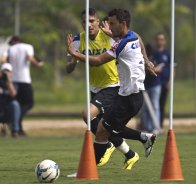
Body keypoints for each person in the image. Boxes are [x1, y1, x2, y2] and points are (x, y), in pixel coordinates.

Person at [67, 8, 157, 170]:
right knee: (105, 127)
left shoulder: (117, 42)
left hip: (117, 90)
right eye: (84, 22)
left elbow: (97, 61)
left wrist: (75, 54)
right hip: (108, 91)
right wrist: (146, 60)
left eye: (92, 21)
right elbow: (138, 37)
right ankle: (136, 145)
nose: (88, 25)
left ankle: (90, 168)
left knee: (96, 124)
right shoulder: (126, 37)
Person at [0, 36, 44, 136]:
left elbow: (2, 60)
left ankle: (18, 127)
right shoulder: (27, 46)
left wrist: (10, 65)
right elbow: (29, 57)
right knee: (29, 103)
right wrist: (37, 64)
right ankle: (16, 122)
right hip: (24, 80)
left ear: (13, 42)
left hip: (12, 81)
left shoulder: (10, 49)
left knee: (17, 104)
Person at [140, 44, 164, 133]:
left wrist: (151, 69)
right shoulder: (142, 57)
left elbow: (159, 68)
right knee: (145, 107)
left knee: (155, 106)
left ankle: (156, 127)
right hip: (145, 85)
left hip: (155, 85)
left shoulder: (156, 56)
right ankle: (146, 127)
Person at [153, 32, 174, 129]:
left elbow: (173, 68)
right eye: (158, 39)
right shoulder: (153, 53)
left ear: (165, 41)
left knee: (161, 105)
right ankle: (152, 125)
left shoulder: (168, 53)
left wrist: (170, 82)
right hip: (154, 84)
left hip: (164, 83)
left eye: (161, 39)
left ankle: (159, 125)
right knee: (154, 105)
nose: (159, 41)